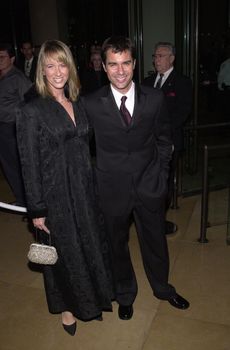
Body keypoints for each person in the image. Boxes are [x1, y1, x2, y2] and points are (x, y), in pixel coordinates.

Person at [81, 36, 190, 321]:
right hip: (111, 189)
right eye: (113, 64)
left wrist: (161, 176)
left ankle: (163, 289)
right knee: (116, 244)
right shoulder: (91, 104)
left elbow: (164, 140)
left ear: (134, 63)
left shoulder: (154, 98)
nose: (120, 70)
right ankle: (125, 294)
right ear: (104, 67)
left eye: (126, 63)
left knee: (155, 241)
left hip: (149, 185)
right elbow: (79, 148)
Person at [16, 40, 114, 336]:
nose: (57, 71)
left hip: (85, 191)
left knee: (89, 248)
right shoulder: (31, 111)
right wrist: (37, 210)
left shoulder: (79, 103)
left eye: (62, 64)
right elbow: (28, 165)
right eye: (50, 65)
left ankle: (92, 301)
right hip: (55, 197)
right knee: (65, 255)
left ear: (70, 67)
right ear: (42, 72)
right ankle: (68, 309)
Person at [143, 42, 193, 235]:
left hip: (168, 142)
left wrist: (160, 132)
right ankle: (149, 217)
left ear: (172, 58)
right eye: (155, 56)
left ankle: (160, 222)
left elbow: (183, 112)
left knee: (164, 182)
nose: (157, 60)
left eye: (161, 56)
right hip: (147, 143)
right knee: (148, 182)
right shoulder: (147, 82)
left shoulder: (182, 82)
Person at [0, 43, 32, 206]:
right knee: (8, 166)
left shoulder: (18, 78)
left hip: (12, 127)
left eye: (2, 57)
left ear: (11, 59)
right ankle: (21, 199)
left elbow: (31, 102)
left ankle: (28, 201)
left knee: (19, 166)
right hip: (2, 128)